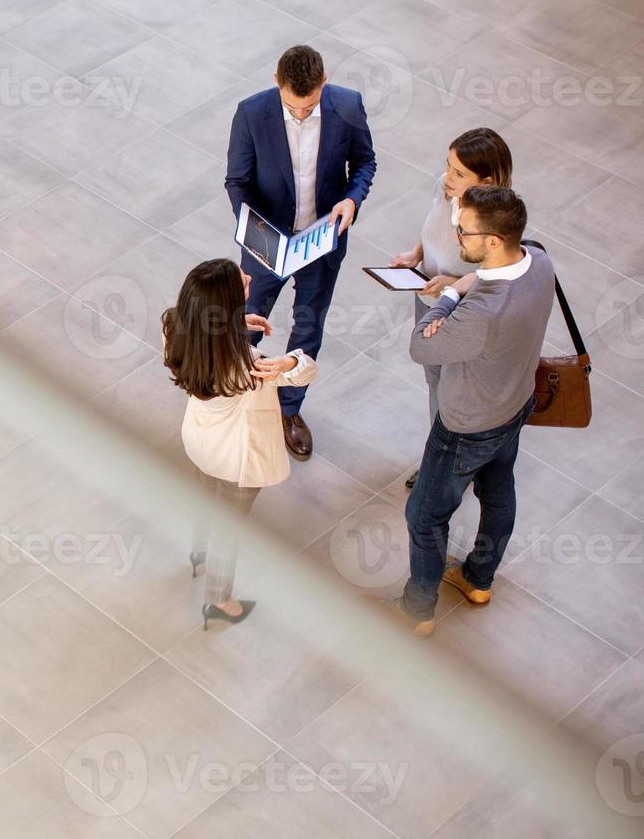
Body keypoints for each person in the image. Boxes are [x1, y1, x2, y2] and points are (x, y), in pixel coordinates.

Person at [390, 186, 552, 635]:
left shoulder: (480, 313)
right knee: (498, 493)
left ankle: (417, 611)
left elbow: (421, 346)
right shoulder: (539, 261)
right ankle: (478, 579)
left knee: (424, 516)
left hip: (464, 425)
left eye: (463, 232)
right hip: (515, 406)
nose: (456, 237)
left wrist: (450, 296)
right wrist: (471, 280)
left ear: (494, 241)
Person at [225, 45, 377, 461]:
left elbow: (364, 163)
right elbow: (237, 182)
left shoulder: (347, 105)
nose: (302, 114)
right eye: (294, 107)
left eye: (309, 107)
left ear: (324, 83)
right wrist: (254, 232)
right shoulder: (253, 112)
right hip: (266, 244)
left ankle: (288, 411)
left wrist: (352, 200)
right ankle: (235, 399)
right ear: (278, 84)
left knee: (308, 327)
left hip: (321, 243)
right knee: (246, 323)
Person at [163, 259, 318, 629]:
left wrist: (235, 324)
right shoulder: (251, 366)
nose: (249, 278)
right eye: (242, 283)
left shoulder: (174, 326)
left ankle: (199, 554)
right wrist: (288, 361)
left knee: (205, 499)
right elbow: (306, 369)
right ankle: (219, 601)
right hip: (236, 459)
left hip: (199, 442)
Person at [389, 128, 514, 489]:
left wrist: (455, 286)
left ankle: (450, 466)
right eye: (448, 165)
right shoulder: (445, 188)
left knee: (455, 388)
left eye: (459, 173)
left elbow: (500, 270)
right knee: (434, 377)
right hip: (428, 295)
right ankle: (438, 458)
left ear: (486, 181)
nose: (448, 177)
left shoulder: (499, 219)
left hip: (460, 309)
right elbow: (433, 226)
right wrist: (417, 253)